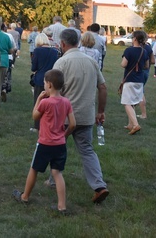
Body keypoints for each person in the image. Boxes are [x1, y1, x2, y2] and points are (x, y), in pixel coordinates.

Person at [53, 28, 109, 204]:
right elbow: (103, 87)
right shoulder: (91, 61)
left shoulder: (61, 63)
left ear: (63, 44)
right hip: (86, 115)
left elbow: (54, 92)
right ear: (78, 41)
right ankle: (99, 185)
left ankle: (52, 178)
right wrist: (100, 111)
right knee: (86, 150)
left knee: (55, 145)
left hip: (64, 116)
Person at [13, 69, 76, 214]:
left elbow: (35, 116)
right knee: (57, 172)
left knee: (34, 169)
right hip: (60, 144)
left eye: (44, 83)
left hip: (45, 143)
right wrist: (64, 135)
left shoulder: (45, 102)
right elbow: (73, 124)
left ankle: (25, 197)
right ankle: (62, 206)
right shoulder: (66, 102)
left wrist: (38, 100)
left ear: (49, 85)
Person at [120, 30, 150, 135]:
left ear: (135, 39)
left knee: (127, 103)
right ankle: (130, 124)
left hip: (130, 79)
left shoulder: (129, 50)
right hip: (140, 79)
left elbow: (123, 64)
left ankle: (136, 125)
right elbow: (147, 66)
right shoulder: (144, 51)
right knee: (132, 101)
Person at [30, 32, 60, 131]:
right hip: (51, 79)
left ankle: (37, 126)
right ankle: (50, 123)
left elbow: (34, 67)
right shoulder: (55, 51)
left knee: (38, 102)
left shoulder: (37, 51)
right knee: (51, 102)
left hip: (40, 79)